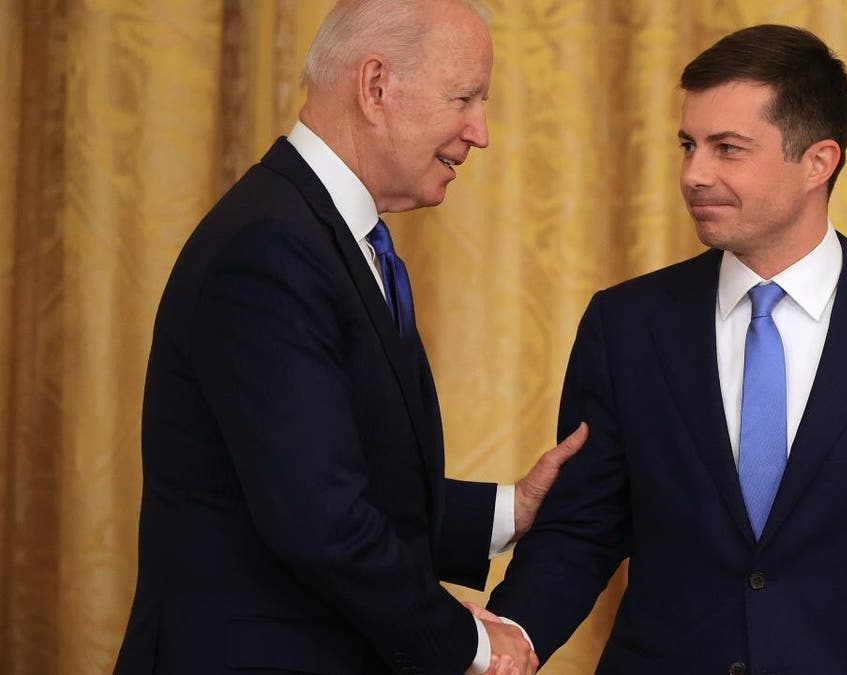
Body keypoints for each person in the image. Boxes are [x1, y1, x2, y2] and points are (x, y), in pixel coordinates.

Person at [487, 24, 847, 674]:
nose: (694, 174)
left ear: (818, 161)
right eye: (688, 145)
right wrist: (513, 636)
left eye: (728, 149)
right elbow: (581, 527)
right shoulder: (625, 324)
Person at [112, 1, 581, 674]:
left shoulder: (320, 231)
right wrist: (474, 644)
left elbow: (333, 472)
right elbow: (321, 521)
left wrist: (508, 511)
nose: (480, 131)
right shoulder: (270, 247)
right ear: (375, 87)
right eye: (465, 98)